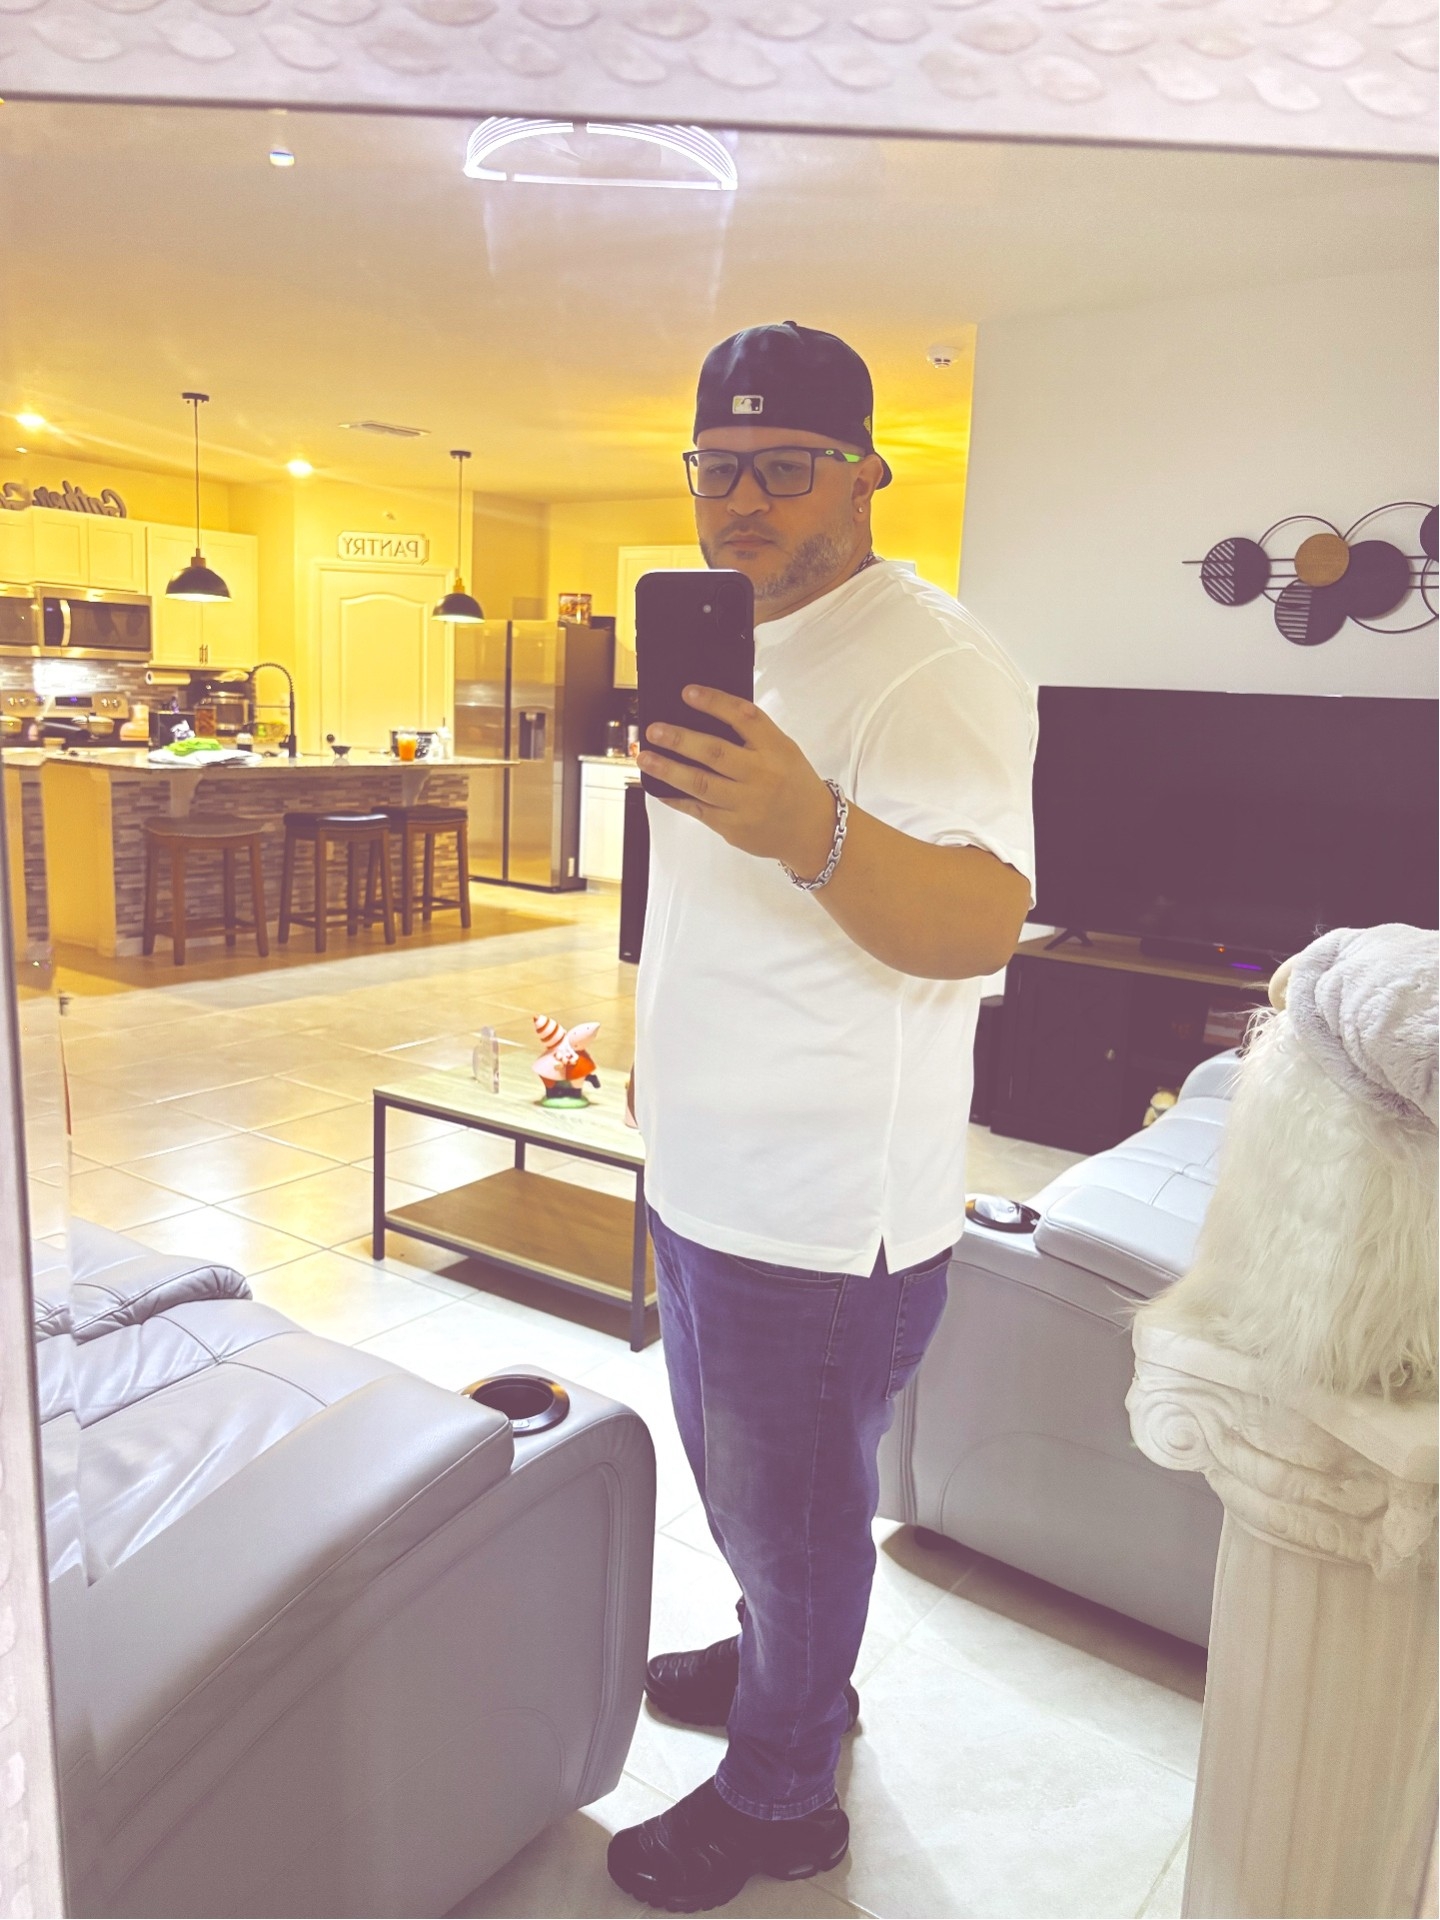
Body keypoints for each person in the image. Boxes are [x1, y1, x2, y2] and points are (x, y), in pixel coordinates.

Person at [606, 321, 1037, 1914]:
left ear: (866, 475)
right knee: (748, 1496)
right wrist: (656, 1050)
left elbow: (984, 922)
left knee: (795, 1520)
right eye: (718, 467)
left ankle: (785, 1794)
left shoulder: (935, 663)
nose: (744, 500)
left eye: (785, 466)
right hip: (708, 1175)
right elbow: (698, 897)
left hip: (820, 1213)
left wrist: (813, 824)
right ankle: (788, 1669)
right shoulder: (736, 650)